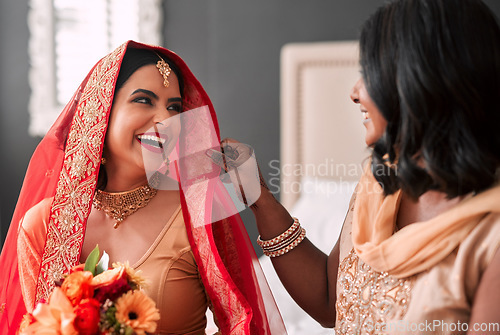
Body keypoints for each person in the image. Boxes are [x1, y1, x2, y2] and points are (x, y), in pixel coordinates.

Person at [216, 0, 500, 334]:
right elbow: (329, 300)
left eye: (368, 73)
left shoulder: (489, 235)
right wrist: (260, 199)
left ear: (417, 79)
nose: (354, 93)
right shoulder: (378, 184)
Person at [0, 41, 286, 334]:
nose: (166, 120)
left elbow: (242, 322)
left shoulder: (197, 210)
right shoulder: (45, 225)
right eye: (144, 100)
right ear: (100, 113)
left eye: (174, 107)